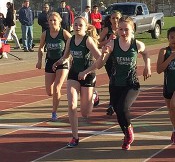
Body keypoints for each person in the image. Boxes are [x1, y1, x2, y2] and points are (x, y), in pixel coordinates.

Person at [79, 16, 151, 150]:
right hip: (116, 84)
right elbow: (100, 64)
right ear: (117, 30)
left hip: (132, 84)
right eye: (121, 29)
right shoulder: (112, 44)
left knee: (123, 108)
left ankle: (129, 132)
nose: (123, 33)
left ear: (133, 29)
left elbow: (146, 54)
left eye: (126, 30)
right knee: (118, 111)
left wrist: (147, 66)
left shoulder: (137, 44)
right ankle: (126, 134)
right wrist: (101, 56)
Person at [52, 16, 101, 148]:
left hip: (88, 75)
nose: (77, 27)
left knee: (85, 113)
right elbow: (66, 56)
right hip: (73, 74)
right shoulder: (71, 40)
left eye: (80, 25)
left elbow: (100, 61)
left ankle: (94, 96)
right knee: (72, 105)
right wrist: (58, 62)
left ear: (86, 27)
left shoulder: (88, 40)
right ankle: (75, 137)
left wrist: (86, 72)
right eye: (75, 24)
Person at [36, 12, 72, 121]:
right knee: (49, 92)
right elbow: (41, 48)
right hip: (50, 61)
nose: (52, 22)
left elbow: (74, 44)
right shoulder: (45, 34)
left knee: (57, 87)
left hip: (62, 62)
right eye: (50, 20)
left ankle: (54, 112)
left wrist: (67, 57)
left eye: (54, 20)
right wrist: (39, 60)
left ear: (59, 21)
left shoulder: (64, 33)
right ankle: (56, 98)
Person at [98, 10, 122, 115]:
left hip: (121, 60)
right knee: (112, 81)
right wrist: (108, 41)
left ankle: (118, 102)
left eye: (117, 18)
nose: (115, 20)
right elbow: (97, 43)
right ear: (110, 20)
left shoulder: (124, 30)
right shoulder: (106, 30)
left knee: (120, 82)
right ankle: (112, 104)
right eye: (113, 18)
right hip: (109, 59)